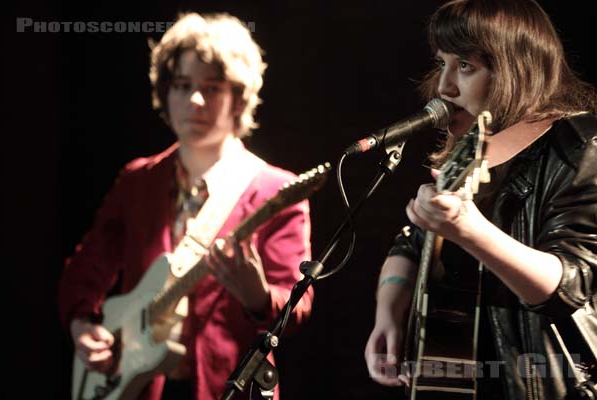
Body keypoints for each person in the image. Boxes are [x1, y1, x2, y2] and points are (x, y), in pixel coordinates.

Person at [58, 12, 313, 400]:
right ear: (165, 91)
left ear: (238, 97)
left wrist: (258, 297)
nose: (195, 100)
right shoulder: (137, 181)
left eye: (212, 88)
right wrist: (82, 323)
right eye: (182, 85)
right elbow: (85, 269)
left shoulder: (276, 190)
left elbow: (297, 306)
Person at [364, 0, 597, 399]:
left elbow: (569, 285)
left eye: (465, 66)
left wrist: (470, 231)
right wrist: (389, 312)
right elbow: (410, 242)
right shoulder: (474, 150)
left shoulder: (580, 147)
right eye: (443, 63)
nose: (444, 86)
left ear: (514, 70)